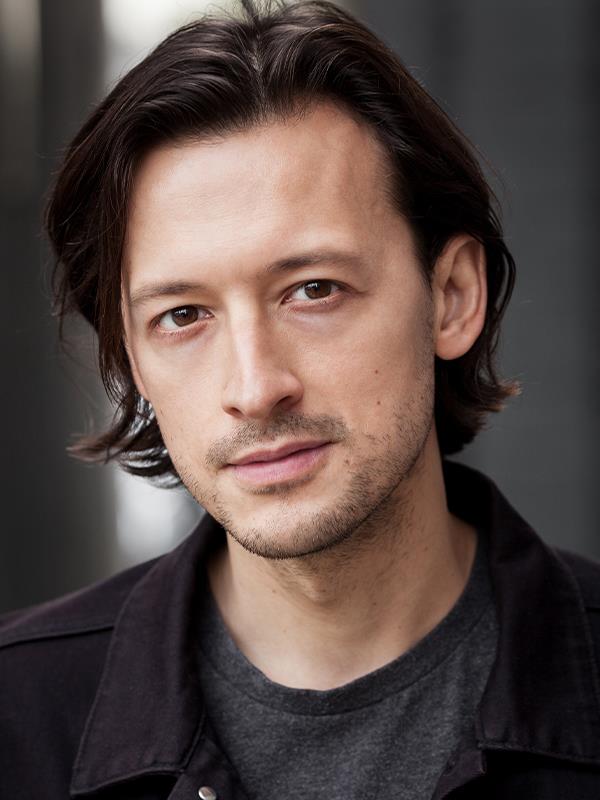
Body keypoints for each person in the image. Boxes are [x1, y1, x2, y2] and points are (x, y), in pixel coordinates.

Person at [2, 1, 600, 798]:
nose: (255, 388)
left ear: (452, 296)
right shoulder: (17, 718)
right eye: (183, 315)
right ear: (132, 359)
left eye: (314, 290)